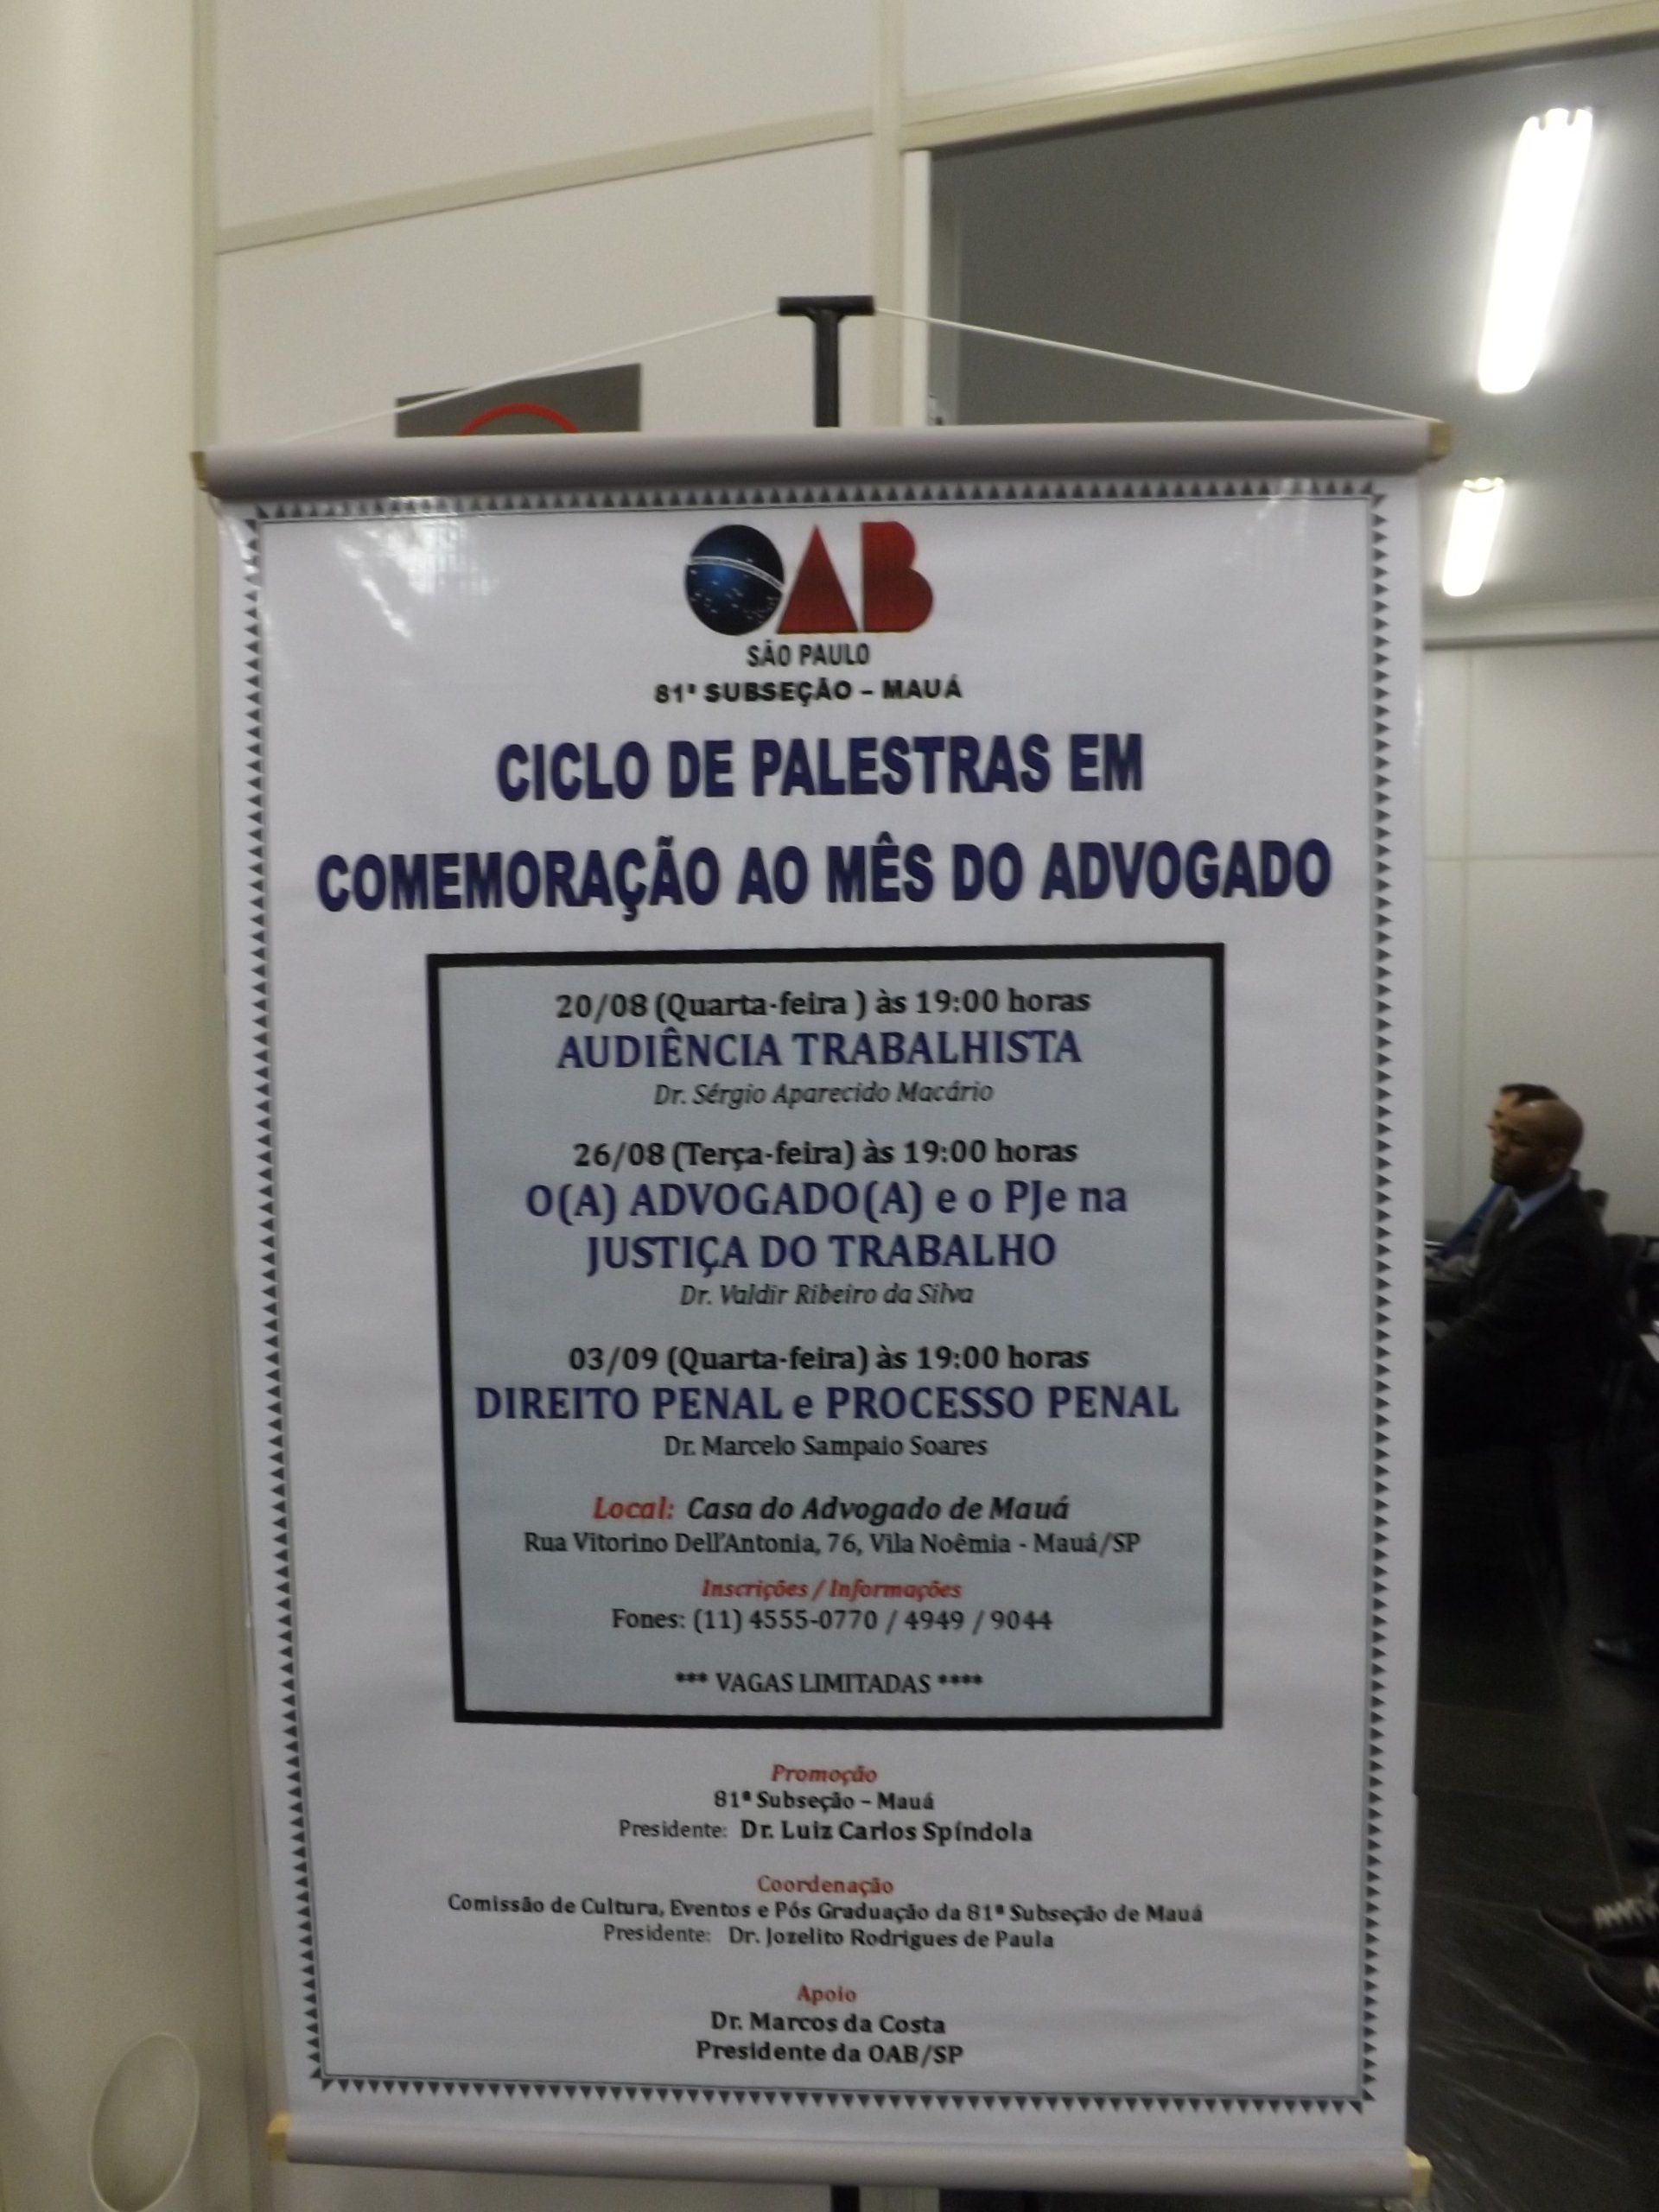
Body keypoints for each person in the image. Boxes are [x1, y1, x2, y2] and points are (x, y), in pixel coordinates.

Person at [1424, 1097, 1612, 1457]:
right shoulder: (1525, 1204)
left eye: (1517, 1140)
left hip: (1531, 1394)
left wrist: (1399, 1374)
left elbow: (1487, 1333)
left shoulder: (1563, 1240)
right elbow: (1479, 1291)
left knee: (1386, 1408)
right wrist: (1401, 1299)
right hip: (1510, 1364)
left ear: (1554, 1160)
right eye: (1500, 1134)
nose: (1499, 1146)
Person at [1427, 1081, 1559, 1283]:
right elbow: (1476, 1234)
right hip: (1446, 1265)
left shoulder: (1525, 1188)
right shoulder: (1508, 1177)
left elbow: (1487, 1264)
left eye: (1499, 1116)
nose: (1489, 1123)